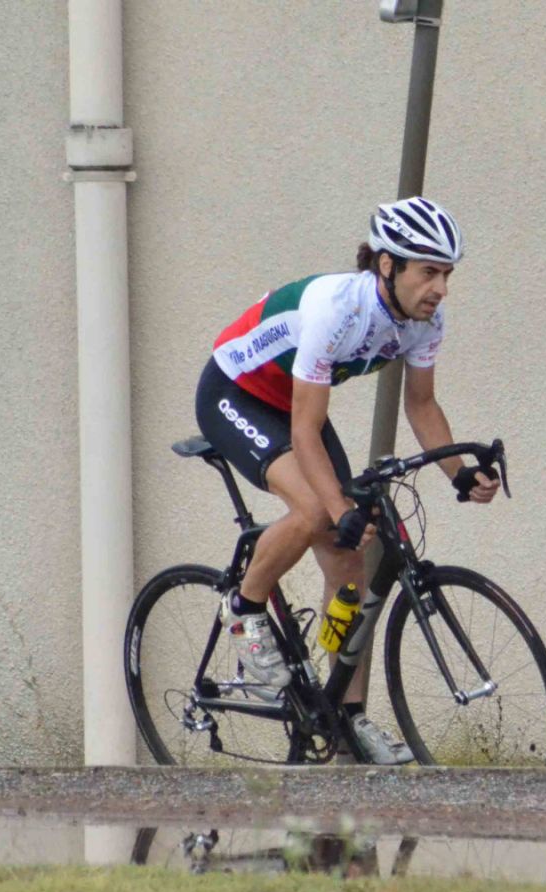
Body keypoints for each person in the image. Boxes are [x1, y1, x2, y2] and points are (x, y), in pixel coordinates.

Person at [194, 197, 498, 763]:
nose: (440, 289)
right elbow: (305, 432)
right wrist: (338, 509)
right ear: (387, 265)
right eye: (428, 272)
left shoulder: (425, 321)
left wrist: (460, 473)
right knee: (316, 512)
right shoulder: (337, 309)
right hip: (235, 392)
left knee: (348, 560)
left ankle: (348, 718)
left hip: (293, 403)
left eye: (447, 274)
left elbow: (422, 405)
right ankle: (244, 608)